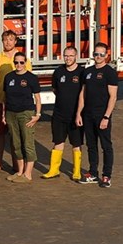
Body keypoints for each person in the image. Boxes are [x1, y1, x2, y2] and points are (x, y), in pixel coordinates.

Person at [75, 42, 119, 188]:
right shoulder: (87, 72)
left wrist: (106, 116)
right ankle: (93, 173)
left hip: (102, 115)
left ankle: (106, 176)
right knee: (91, 145)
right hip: (88, 114)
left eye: (101, 54)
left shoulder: (110, 73)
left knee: (106, 146)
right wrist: (79, 113)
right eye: (96, 54)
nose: (98, 57)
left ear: (106, 56)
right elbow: (83, 93)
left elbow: (113, 97)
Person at [0, 29, 30, 173]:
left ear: (15, 41)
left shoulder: (23, 59)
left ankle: (16, 164)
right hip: (0, 100)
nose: (8, 42)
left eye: (11, 39)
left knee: (16, 136)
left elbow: (28, 80)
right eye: (5, 39)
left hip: (17, 103)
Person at [43, 46, 85, 180]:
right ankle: (54, 169)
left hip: (75, 115)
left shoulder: (82, 72)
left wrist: (79, 113)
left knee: (76, 144)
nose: (68, 58)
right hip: (59, 114)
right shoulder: (58, 72)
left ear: (76, 56)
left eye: (71, 56)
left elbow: (84, 94)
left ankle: (76, 171)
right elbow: (55, 89)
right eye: (66, 56)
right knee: (58, 142)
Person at [3, 52, 42, 182]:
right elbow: (5, 97)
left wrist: (37, 115)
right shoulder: (8, 77)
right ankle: (20, 171)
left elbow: (37, 98)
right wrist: (4, 114)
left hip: (26, 113)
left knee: (28, 143)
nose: (18, 65)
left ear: (25, 62)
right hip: (11, 113)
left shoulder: (31, 78)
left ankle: (28, 174)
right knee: (16, 143)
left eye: (21, 62)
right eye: (16, 62)